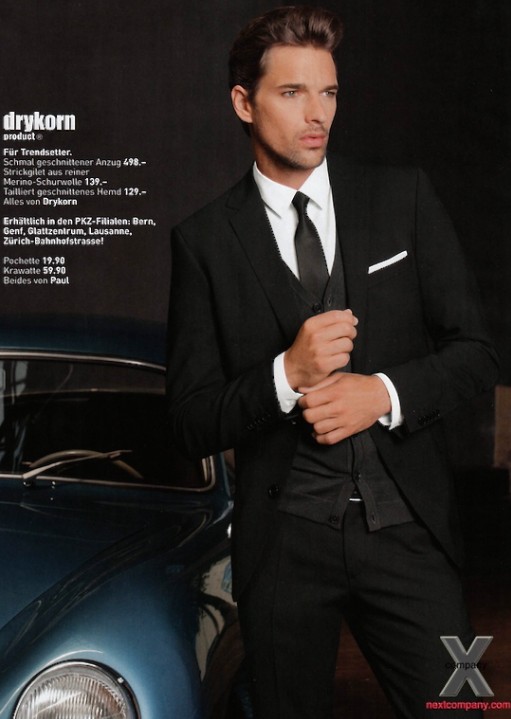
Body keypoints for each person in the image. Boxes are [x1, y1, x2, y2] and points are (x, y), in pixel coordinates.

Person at [167, 6, 499, 718]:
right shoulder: (204, 242)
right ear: (244, 103)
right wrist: (285, 374)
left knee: (462, 709)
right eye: (292, 93)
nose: (317, 114)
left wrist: (382, 393)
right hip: (283, 548)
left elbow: (477, 354)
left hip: (406, 530)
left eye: (328, 92)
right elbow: (189, 419)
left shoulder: (402, 197)